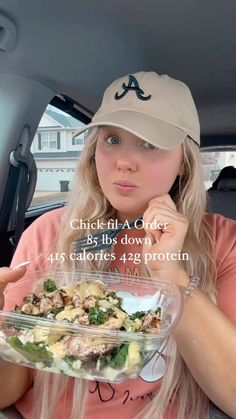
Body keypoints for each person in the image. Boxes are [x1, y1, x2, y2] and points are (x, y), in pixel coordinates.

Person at [0, 71, 236, 419]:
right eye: (112, 139)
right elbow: (8, 388)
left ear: (184, 161)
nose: (124, 161)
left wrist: (170, 273)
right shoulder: (52, 231)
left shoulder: (222, 242)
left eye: (149, 143)